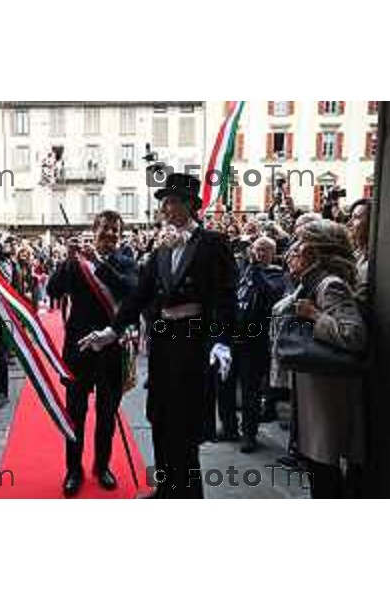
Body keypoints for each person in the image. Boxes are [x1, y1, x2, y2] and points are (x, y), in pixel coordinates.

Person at [80, 173, 237, 499]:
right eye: (164, 201)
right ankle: (166, 489)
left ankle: (189, 496)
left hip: (194, 346)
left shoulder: (212, 244)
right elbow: (139, 294)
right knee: (161, 420)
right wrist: (112, 330)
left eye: (172, 201)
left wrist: (221, 341)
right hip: (164, 347)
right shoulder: (161, 247)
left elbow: (225, 297)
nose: (165, 207)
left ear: (191, 206)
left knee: (186, 427)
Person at [271, 219, 367, 498]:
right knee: (318, 467)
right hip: (314, 388)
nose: (292, 251)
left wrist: (314, 315)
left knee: (324, 470)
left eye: (298, 243)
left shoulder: (329, 285)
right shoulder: (309, 281)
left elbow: (354, 335)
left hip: (327, 393)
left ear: (315, 250)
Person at [48, 210, 138, 497]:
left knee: (107, 414)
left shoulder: (126, 262)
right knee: (76, 414)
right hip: (79, 349)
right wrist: (68, 259)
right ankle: (73, 469)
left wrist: (98, 264)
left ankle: (102, 466)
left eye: (115, 230)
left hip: (111, 349)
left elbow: (130, 292)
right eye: (105, 229)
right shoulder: (76, 264)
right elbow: (53, 289)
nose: (111, 234)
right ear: (95, 230)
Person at [217, 236, 287, 452]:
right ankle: (229, 426)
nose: (259, 254)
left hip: (253, 342)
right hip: (232, 337)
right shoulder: (242, 272)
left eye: (265, 250)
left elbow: (270, 294)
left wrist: (256, 271)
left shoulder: (276, 276)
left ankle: (249, 434)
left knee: (250, 390)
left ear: (273, 254)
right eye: (256, 249)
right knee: (224, 384)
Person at [347, 198, 371, 310]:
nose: (349, 223)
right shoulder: (355, 253)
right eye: (350, 217)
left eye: (356, 217)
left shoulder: (371, 263)